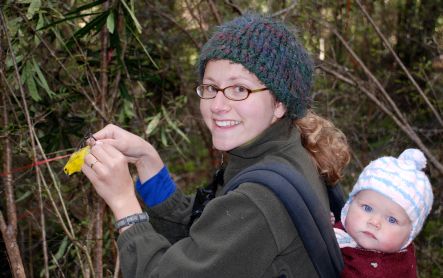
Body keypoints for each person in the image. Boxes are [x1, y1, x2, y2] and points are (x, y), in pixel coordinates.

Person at [82, 13, 350, 277]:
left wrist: (123, 204)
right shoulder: (281, 149)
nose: (218, 106)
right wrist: (147, 162)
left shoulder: (258, 199)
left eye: (239, 89)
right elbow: (209, 234)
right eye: (210, 88)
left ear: (280, 103)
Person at [334, 148, 434, 278]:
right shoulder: (361, 233)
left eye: (392, 220)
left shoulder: (376, 272)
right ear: (350, 203)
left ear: (410, 235)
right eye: (367, 208)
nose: (374, 222)